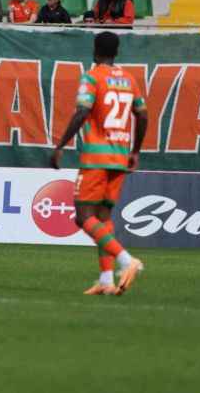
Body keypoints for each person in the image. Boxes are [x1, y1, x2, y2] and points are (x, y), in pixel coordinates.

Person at [51, 31, 148, 296]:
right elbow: (142, 115)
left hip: (96, 157)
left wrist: (60, 146)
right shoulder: (129, 79)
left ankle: (127, 260)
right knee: (103, 218)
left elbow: (83, 111)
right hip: (119, 158)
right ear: (116, 52)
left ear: (95, 51)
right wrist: (135, 151)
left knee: (83, 217)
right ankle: (106, 279)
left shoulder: (92, 77)